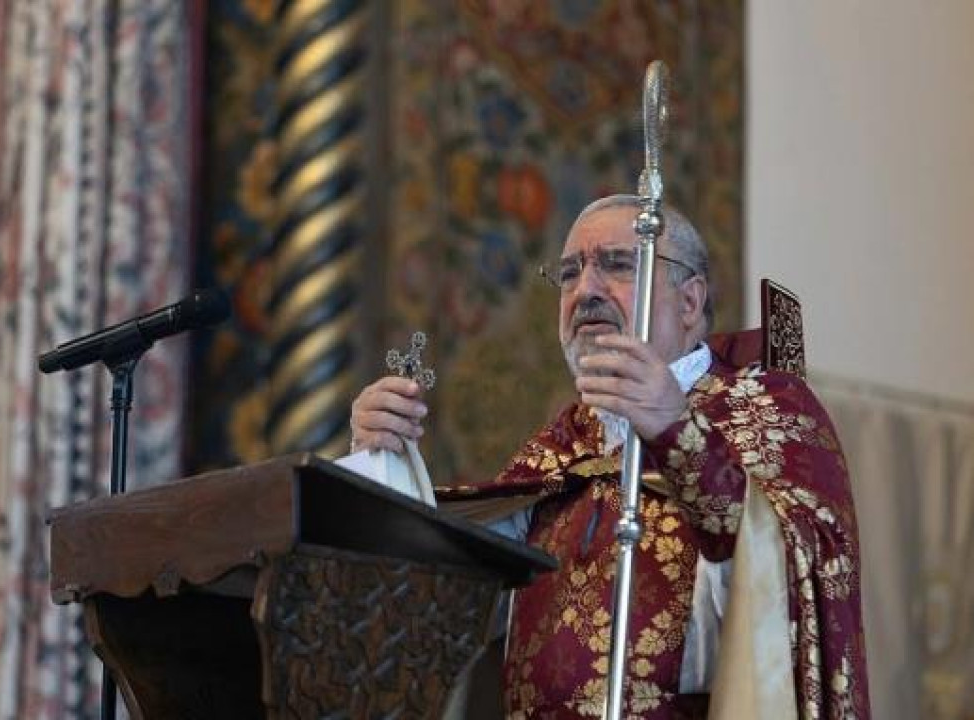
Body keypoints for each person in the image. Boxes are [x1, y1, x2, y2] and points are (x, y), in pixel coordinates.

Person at [349, 195, 869, 719]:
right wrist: (384, 468)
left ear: (690, 302)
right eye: (569, 273)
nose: (586, 290)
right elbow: (454, 606)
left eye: (618, 264)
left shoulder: (766, 410)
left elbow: (800, 582)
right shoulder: (560, 446)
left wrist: (678, 433)